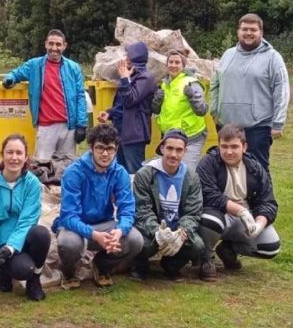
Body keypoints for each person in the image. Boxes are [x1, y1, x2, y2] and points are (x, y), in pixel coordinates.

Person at [52, 124, 142, 289]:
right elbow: (68, 216)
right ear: (91, 148)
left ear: (116, 150)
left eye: (110, 149)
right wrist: (94, 235)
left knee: (135, 240)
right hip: (75, 226)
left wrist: (119, 231)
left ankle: (102, 265)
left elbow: (127, 210)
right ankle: (69, 272)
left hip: (104, 224)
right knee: (69, 243)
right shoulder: (73, 172)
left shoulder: (120, 172)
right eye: (100, 148)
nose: (105, 154)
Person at [197, 124, 280, 282]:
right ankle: (206, 258)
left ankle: (229, 249)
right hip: (218, 213)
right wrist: (240, 210)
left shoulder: (256, 167)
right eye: (224, 146)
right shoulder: (208, 162)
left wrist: (259, 224)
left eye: (234, 146)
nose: (229, 151)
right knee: (210, 221)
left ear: (244, 147)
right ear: (219, 145)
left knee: (271, 246)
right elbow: (208, 195)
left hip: (246, 218)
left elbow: (268, 201)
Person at [210, 13, 290, 171]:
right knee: (227, 170)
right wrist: (214, 111)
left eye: (253, 29)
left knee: (257, 171)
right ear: (238, 31)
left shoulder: (273, 58)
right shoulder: (228, 54)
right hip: (227, 125)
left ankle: (263, 198)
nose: (248, 33)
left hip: (257, 128)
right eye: (244, 29)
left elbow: (282, 90)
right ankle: (232, 197)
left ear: (261, 32)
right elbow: (215, 83)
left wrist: (278, 123)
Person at [0, 135, 50, 301]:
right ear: (2, 155)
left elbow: (27, 221)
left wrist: (11, 248)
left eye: (19, 153)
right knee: (21, 269)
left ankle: (35, 279)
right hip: (1, 240)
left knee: (41, 234)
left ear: (26, 157)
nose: (14, 158)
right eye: (9, 152)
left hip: (22, 239)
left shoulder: (32, 183)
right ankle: (2, 271)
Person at [2, 30, 88, 169]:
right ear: (46, 44)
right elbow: (15, 73)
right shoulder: (34, 65)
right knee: (42, 168)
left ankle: (63, 192)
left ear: (64, 46)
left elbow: (80, 95)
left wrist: (82, 125)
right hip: (46, 127)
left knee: (67, 168)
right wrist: (8, 80)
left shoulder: (74, 68)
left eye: (58, 44)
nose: (54, 48)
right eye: (51, 44)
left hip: (69, 127)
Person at [131, 129, 205, 281]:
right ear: (162, 148)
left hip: (177, 229)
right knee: (142, 244)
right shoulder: (145, 174)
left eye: (179, 150)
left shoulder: (191, 177)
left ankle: (171, 266)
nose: (173, 154)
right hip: (152, 228)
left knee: (197, 245)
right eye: (170, 148)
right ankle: (139, 266)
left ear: (185, 151)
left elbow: (193, 212)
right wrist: (158, 231)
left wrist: (182, 233)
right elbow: (142, 210)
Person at [97, 41, 155, 174]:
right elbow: (122, 104)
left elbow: (130, 100)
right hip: (120, 132)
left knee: (134, 173)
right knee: (119, 172)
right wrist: (109, 113)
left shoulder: (146, 78)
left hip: (134, 134)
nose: (126, 58)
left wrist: (124, 78)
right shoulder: (130, 76)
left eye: (130, 55)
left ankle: (136, 195)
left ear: (138, 57)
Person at [151, 50, 208, 172]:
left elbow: (202, 110)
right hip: (169, 137)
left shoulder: (191, 83)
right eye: (170, 62)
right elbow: (156, 110)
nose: (173, 65)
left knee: (187, 174)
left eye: (177, 62)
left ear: (183, 66)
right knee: (167, 173)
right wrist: (157, 101)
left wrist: (192, 96)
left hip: (191, 137)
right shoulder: (165, 84)